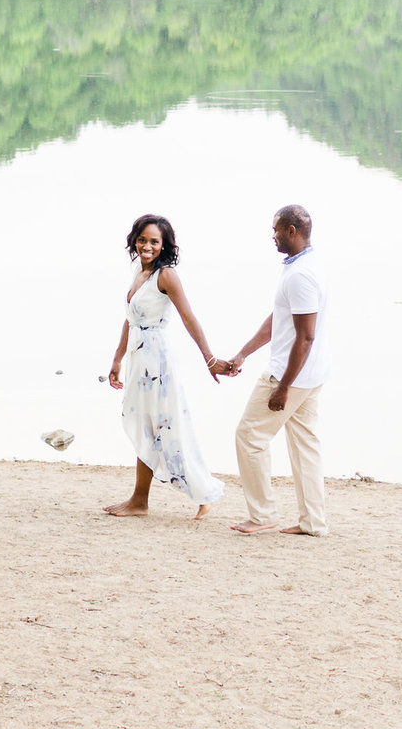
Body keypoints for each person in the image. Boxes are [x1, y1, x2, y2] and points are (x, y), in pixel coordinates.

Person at [103, 215, 228, 519]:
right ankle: (139, 501)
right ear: (135, 240)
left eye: (154, 241)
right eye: (142, 239)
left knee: (164, 426)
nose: (147, 246)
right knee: (146, 426)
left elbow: (189, 318)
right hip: (138, 356)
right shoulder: (139, 272)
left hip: (156, 359)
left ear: (164, 245)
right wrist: (117, 359)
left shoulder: (166, 275)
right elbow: (130, 319)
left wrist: (209, 358)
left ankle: (198, 493)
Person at [217, 204, 330, 537]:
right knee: (305, 446)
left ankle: (263, 514)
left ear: (292, 231)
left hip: (290, 375)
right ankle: (314, 522)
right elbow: (280, 319)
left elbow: (305, 337)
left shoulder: (300, 276)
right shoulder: (305, 266)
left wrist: (283, 386)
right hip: (313, 375)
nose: (273, 235)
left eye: (277, 230)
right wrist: (243, 354)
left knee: (249, 437)